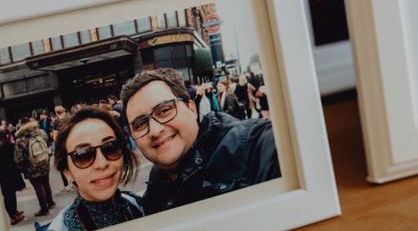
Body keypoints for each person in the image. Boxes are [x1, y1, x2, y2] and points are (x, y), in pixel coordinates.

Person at [120, 68, 280, 215]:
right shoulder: (154, 192)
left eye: (164, 111)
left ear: (191, 108)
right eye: (140, 124)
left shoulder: (254, 145)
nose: (155, 130)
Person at [48, 106, 142, 231]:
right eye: (83, 155)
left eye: (110, 148)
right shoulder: (61, 227)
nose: (101, 163)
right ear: (67, 171)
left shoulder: (139, 206)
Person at [14, 117, 55, 217]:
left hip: (31, 166)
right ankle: (50, 203)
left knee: (38, 186)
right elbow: (47, 143)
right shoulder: (40, 132)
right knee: (46, 182)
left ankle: (44, 209)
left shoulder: (21, 139)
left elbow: (18, 158)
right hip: (44, 161)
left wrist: (21, 167)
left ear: (22, 125)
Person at [0, 129, 25, 224]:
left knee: (8, 195)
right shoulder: (10, 146)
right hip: (11, 173)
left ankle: (14, 212)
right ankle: (13, 216)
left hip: (3, 176)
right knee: (10, 195)